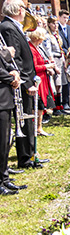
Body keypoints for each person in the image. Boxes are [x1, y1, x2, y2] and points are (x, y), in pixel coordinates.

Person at [0, 0, 41, 170]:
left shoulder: (13, 26)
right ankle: (24, 157)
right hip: (19, 82)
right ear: (18, 10)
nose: (26, 12)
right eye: (24, 8)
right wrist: (25, 82)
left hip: (24, 79)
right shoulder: (8, 27)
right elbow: (14, 59)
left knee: (27, 119)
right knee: (22, 121)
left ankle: (30, 154)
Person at [0, 43, 21, 195]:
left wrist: (13, 72)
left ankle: (4, 177)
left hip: (5, 99)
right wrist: (10, 78)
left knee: (5, 141)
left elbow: (4, 62)